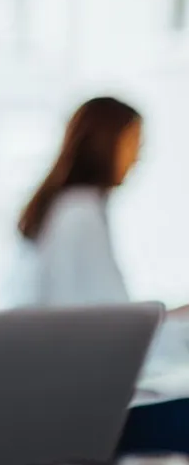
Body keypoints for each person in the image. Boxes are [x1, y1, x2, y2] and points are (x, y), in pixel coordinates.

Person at [16, 96, 189, 426]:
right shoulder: (79, 214)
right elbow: (114, 328)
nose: (138, 156)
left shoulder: (65, 208)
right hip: (81, 396)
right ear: (106, 143)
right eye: (134, 142)